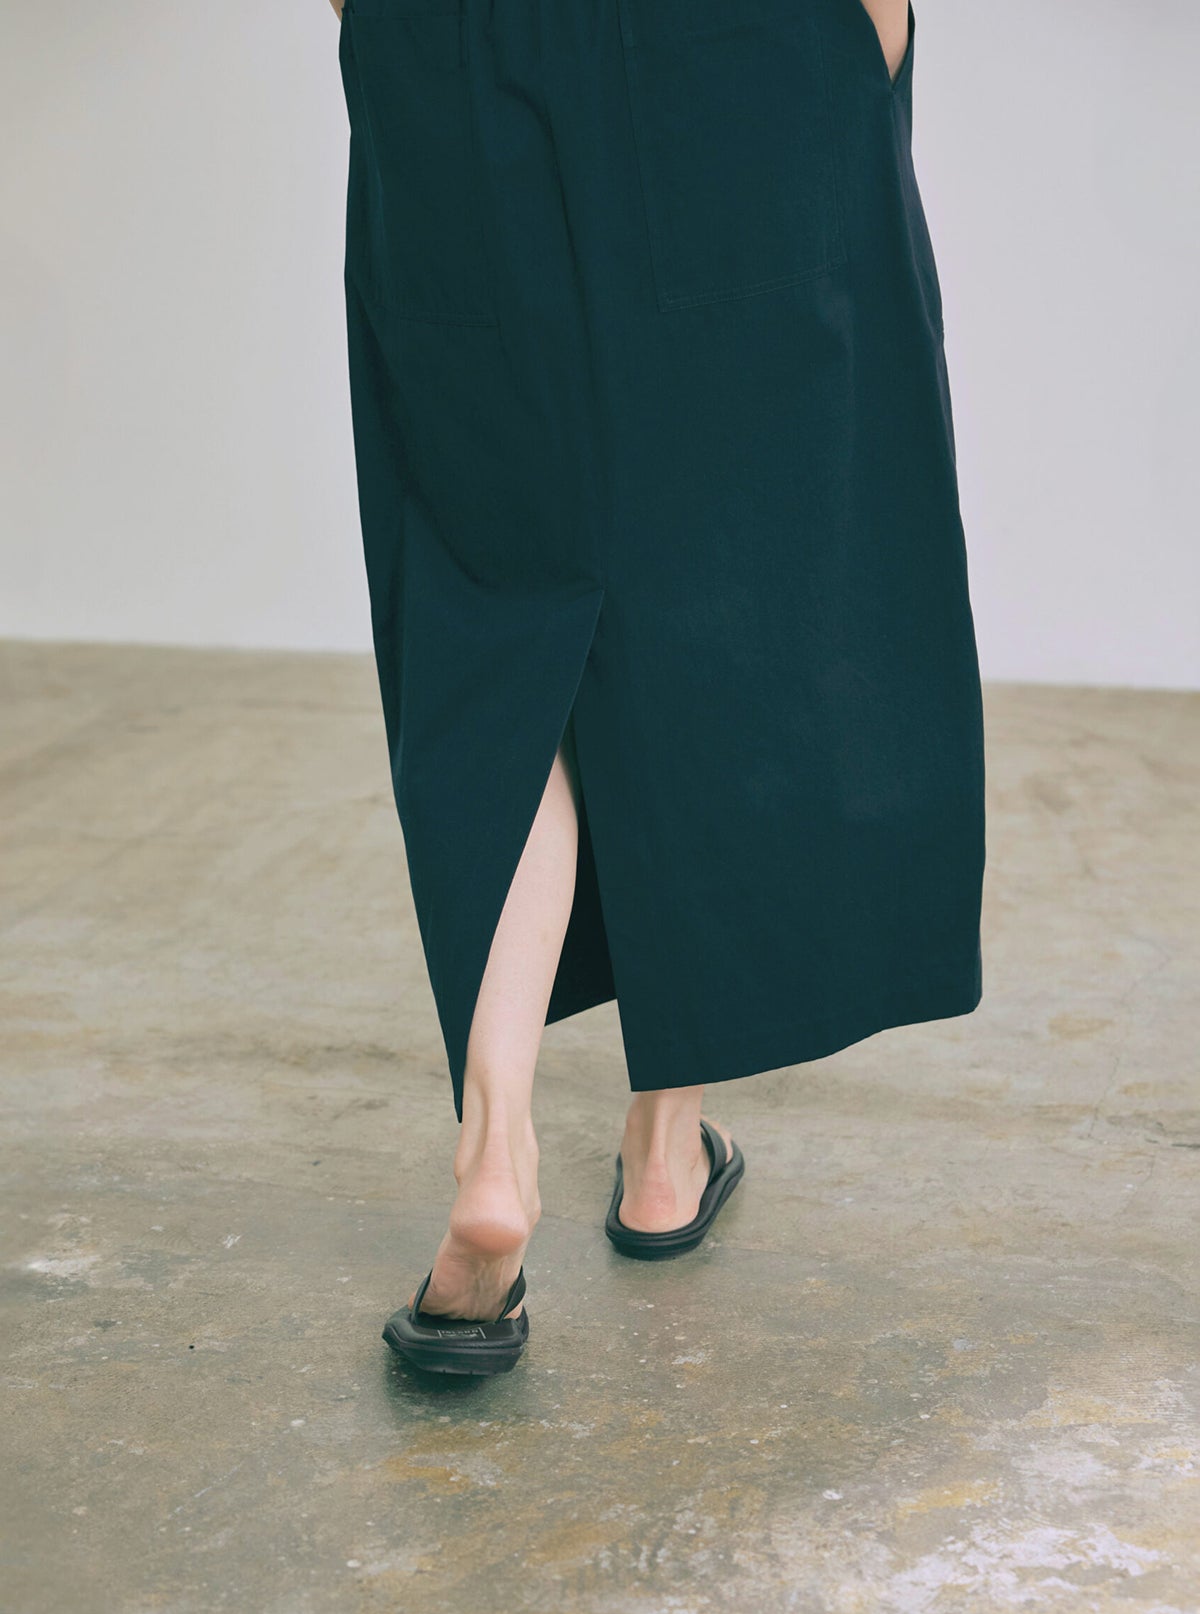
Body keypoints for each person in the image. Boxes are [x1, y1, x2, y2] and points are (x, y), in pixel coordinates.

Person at [329, 0, 986, 1375]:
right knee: (711, 591)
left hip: (447, 54)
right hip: (740, 52)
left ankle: (498, 1156)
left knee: (490, 610)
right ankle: (662, 1155)